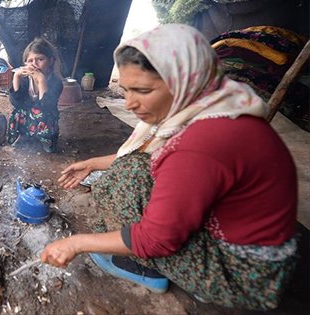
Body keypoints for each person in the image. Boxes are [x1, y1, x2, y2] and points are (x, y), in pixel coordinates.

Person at [41, 24, 298, 311]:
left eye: (143, 90)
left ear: (185, 79)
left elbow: (156, 239)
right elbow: (147, 158)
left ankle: (155, 269)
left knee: (121, 181)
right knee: (130, 168)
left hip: (245, 271)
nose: (130, 103)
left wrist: (77, 243)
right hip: (263, 242)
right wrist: (91, 163)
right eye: (125, 90)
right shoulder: (218, 105)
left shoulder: (202, 144)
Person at [7, 38, 63, 153]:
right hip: (28, 118)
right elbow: (16, 102)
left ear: (51, 61)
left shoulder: (56, 82)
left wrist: (41, 80)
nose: (34, 64)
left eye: (40, 59)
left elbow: (46, 106)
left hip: (45, 119)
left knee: (44, 113)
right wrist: (16, 77)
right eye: (30, 61)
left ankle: (46, 140)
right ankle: (24, 135)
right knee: (18, 111)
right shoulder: (25, 80)